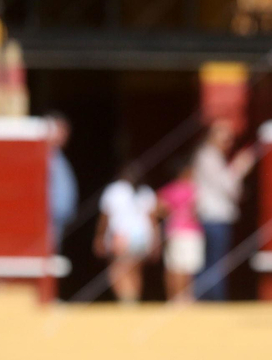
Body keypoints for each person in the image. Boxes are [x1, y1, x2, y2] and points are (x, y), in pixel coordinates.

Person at [193, 119, 256, 301]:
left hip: (214, 217)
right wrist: (240, 167)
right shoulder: (209, 157)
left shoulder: (212, 157)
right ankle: (212, 300)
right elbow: (228, 186)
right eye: (225, 138)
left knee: (213, 262)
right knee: (216, 263)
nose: (229, 143)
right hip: (214, 217)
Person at [93, 165, 156, 304]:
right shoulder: (146, 192)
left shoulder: (114, 190)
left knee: (118, 271)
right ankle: (133, 300)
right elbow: (153, 220)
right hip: (143, 237)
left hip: (122, 236)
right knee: (135, 271)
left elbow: (105, 217)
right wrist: (155, 242)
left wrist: (100, 236)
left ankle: (126, 301)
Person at [156, 163, 203, 303]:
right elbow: (197, 210)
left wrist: (171, 215)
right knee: (187, 267)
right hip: (191, 231)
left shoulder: (168, 190)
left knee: (174, 266)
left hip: (174, 230)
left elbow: (157, 207)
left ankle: (174, 297)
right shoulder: (193, 189)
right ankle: (185, 297)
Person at [46, 113, 77, 252]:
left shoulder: (57, 156)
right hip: (46, 222)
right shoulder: (43, 156)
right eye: (62, 130)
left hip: (56, 223)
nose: (65, 135)